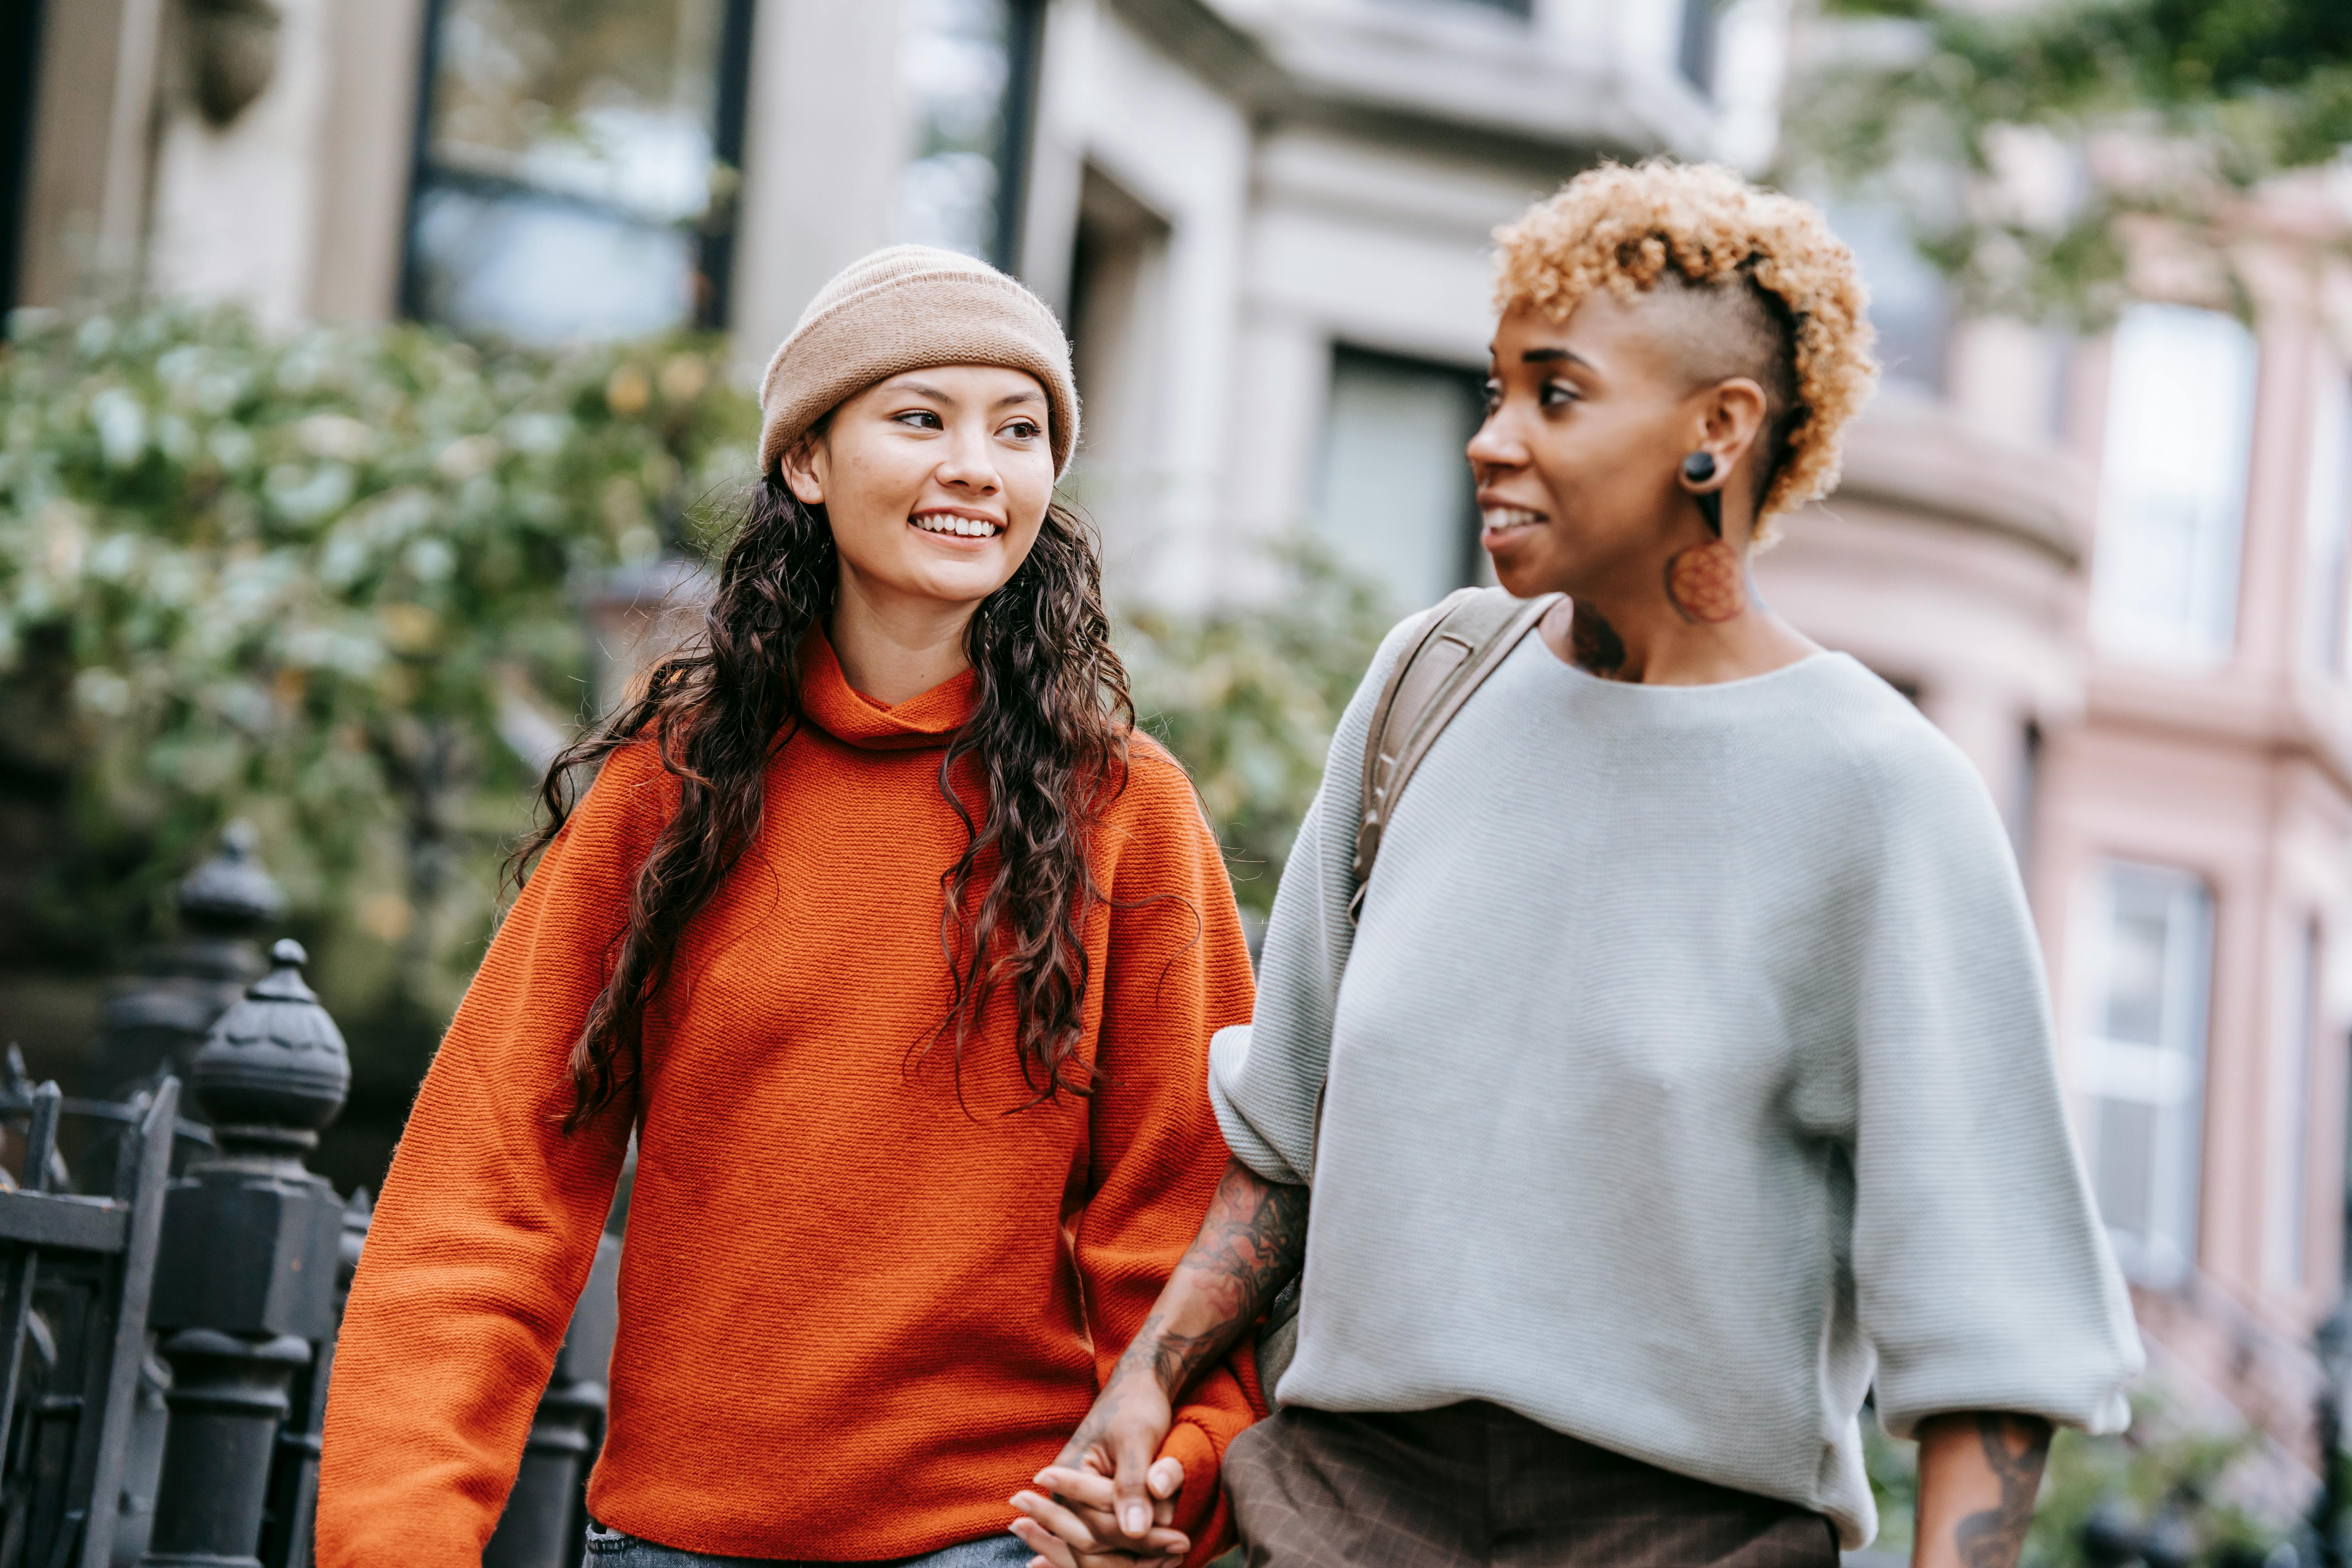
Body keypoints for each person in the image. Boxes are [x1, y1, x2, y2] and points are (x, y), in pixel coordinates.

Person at [1023, 162, 2143, 1568]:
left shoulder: (1882, 793)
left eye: (1553, 395)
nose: (1490, 440)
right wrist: (1150, 1380)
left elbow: (1992, 1346)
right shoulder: (1429, 687)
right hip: (1336, 1517)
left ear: (1718, 434)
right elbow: (1285, 1142)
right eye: (1494, 390)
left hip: (1684, 1540)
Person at [316, 246, 1260, 1568]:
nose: (978, 468)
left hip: (994, 1546)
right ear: (807, 460)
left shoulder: (1124, 811)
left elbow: (1185, 1204)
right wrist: (397, 1542)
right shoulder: (672, 791)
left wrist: (1175, 1476)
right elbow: (491, 1191)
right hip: (668, 1548)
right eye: (921, 418)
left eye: (1021, 429)